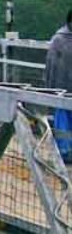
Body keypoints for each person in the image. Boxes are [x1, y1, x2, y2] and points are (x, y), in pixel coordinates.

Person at [46, 9, 72, 161]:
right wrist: (50, 89)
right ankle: (64, 152)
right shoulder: (59, 39)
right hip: (61, 88)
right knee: (62, 121)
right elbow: (51, 66)